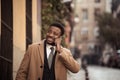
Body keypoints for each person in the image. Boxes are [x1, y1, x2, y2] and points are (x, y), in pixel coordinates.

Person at [15, 22, 80, 80]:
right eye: (49, 31)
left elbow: (75, 69)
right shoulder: (32, 48)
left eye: (55, 34)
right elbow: (22, 72)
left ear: (60, 38)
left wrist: (60, 51)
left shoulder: (65, 52)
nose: (50, 35)